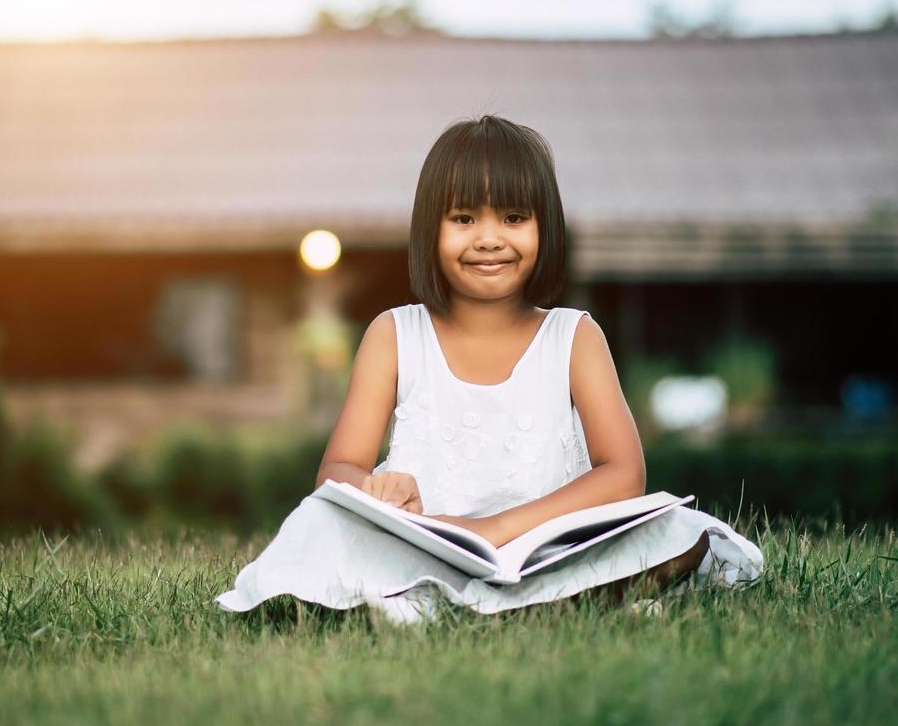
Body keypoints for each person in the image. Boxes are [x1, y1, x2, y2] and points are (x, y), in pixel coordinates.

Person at [214, 115, 763, 625]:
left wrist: (495, 532)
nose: (488, 238)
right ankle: (527, 607)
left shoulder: (574, 337)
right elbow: (337, 469)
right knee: (317, 522)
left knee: (678, 530)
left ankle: (472, 604)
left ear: (545, 228)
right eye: (463, 218)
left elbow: (624, 474)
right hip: (423, 550)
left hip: (547, 552)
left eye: (514, 217)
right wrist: (376, 488)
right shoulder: (394, 334)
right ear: (430, 229)